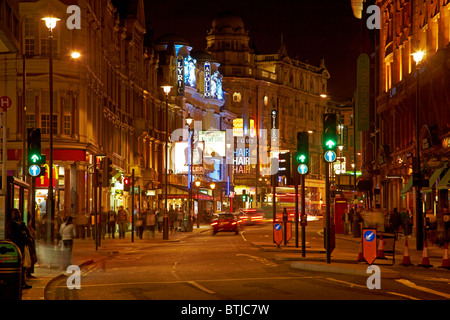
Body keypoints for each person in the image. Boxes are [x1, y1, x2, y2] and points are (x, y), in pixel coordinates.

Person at [6, 208, 33, 289]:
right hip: (16, 247)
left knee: (23, 265)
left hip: (22, 246)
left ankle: (22, 282)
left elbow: (26, 232)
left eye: (18, 212)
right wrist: (26, 238)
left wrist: (28, 238)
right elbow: (17, 235)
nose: (17, 214)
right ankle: (19, 282)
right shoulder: (12, 224)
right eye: (15, 213)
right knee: (18, 265)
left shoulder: (21, 223)